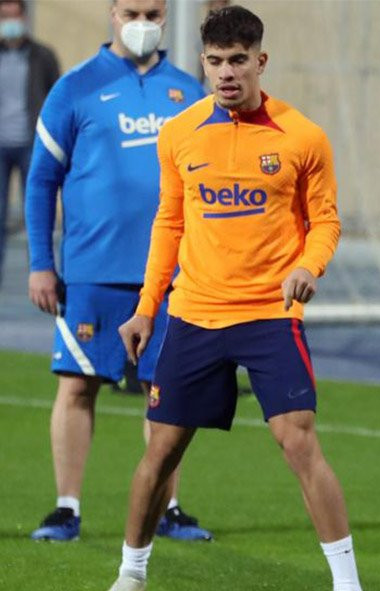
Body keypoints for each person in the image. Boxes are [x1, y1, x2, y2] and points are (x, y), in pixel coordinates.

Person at [94, 6, 367, 591]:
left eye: (237, 60)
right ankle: (130, 576)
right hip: (194, 314)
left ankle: (348, 589)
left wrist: (309, 267)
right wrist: (145, 309)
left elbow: (325, 221)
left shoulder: (303, 136)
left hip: (271, 314)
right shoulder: (182, 133)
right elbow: (170, 222)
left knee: (297, 440)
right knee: (161, 452)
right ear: (203, 63)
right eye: (214, 61)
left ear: (260, 62)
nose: (225, 73)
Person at [24, 0, 208, 543]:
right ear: (112, 12)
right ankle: (66, 509)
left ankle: (169, 508)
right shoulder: (74, 88)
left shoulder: (189, 93)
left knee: (167, 393)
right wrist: (41, 263)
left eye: (154, 13)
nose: (144, 23)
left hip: (171, 276)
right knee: (78, 385)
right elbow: (40, 181)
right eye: (133, 11)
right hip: (92, 270)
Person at [0, 0, 56, 288]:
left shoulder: (42, 56)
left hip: (30, 145)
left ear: (24, 17)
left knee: (34, 211)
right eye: (4, 16)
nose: (9, 21)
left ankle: (39, 272)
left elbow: (55, 100)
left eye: (14, 15)